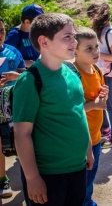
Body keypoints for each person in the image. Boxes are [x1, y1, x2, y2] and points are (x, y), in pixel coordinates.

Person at [13, 13, 93, 205]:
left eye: (74, 36)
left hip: (77, 168)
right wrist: (32, 178)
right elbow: (22, 133)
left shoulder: (73, 72)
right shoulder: (31, 80)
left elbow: (79, 112)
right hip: (49, 174)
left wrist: (88, 150)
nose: (74, 41)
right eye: (67, 37)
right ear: (44, 41)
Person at [73, 27, 109, 206]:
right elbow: (71, 109)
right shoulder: (73, 75)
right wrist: (94, 105)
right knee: (82, 183)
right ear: (75, 50)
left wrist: (103, 94)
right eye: (89, 48)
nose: (96, 52)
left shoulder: (97, 70)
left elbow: (99, 96)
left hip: (96, 137)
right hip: (80, 140)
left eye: (96, 46)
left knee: (89, 180)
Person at [0, 16, 25, 198]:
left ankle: (28, 176)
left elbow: (25, 74)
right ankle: (3, 180)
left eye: (1, 31)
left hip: (13, 104)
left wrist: (14, 76)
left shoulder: (13, 52)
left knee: (19, 141)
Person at [90, 3, 112, 148]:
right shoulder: (99, 31)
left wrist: (95, 53)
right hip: (99, 71)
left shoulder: (111, 33)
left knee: (109, 104)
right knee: (100, 102)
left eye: (92, 16)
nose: (91, 19)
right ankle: (106, 130)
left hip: (108, 73)